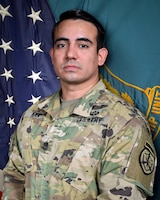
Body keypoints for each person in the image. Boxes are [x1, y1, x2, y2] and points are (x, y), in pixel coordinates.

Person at [2, 9, 157, 200]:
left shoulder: (125, 123)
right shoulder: (33, 115)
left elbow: (123, 195)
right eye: (61, 45)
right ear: (52, 55)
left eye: (83, 45)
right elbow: (13, 178)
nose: (70, 54)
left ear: (100, 56)